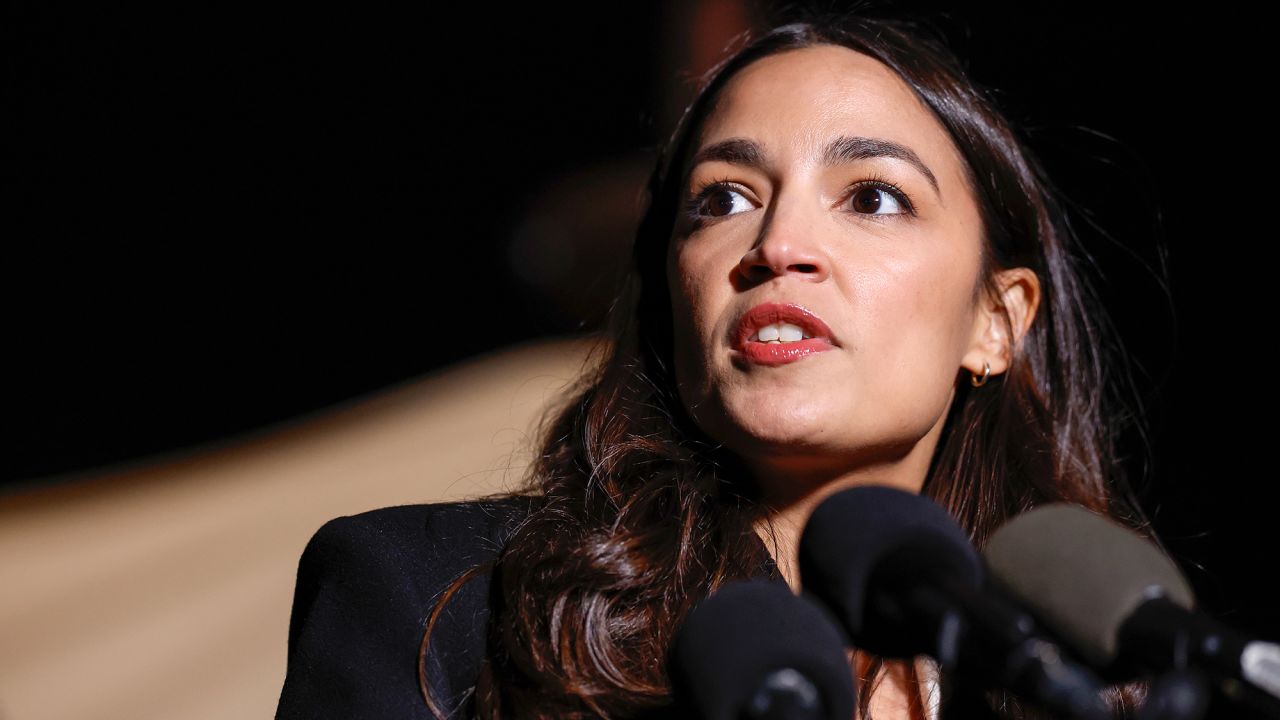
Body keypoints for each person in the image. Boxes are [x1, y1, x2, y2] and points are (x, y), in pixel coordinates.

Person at [275, 10, 1159, 720]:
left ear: (996, 322)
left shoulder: (1088, 679)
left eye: (873, 197)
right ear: (670, 295)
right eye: (724, 199)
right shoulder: (432, 600)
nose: (779, 245)